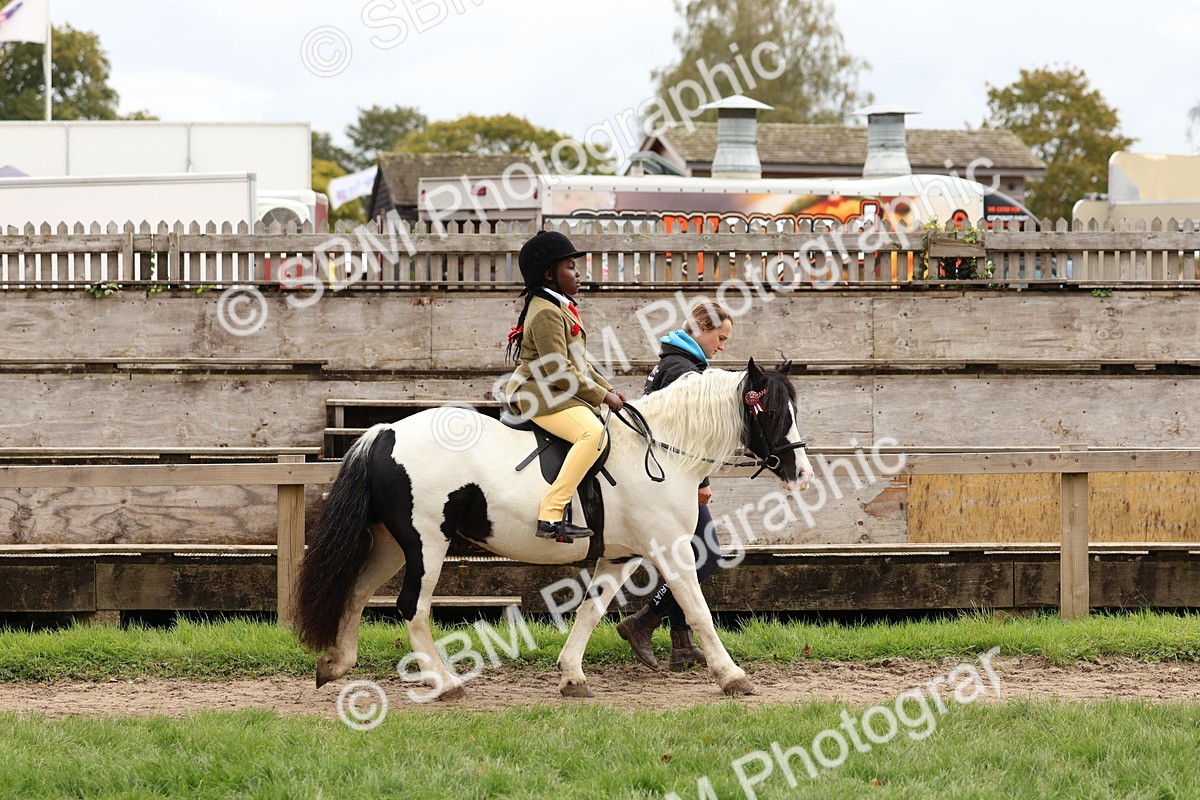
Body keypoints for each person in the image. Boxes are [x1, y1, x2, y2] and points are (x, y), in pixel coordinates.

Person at [616, 301, 733, 669]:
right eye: (720, 336)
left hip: (663, 479)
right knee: (707, 555)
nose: (722, 345)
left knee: (689, 555)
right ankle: (644, 621)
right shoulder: (682, 370)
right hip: (672, 482)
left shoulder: (674, 362)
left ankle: (682, 643)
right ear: (700, 326)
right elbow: (690, 434)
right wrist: (702, 479)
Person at [503, 231, 626, 542]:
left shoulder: (559, 306)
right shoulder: (545, 312)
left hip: (551, 388)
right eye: (570, 266)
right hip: (537, 392)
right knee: (593, 434)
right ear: (549, 275)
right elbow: (561, 373)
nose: (578, 272)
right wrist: (602, 396)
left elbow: (579, 364)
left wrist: (608, 389)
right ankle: (551, 512)